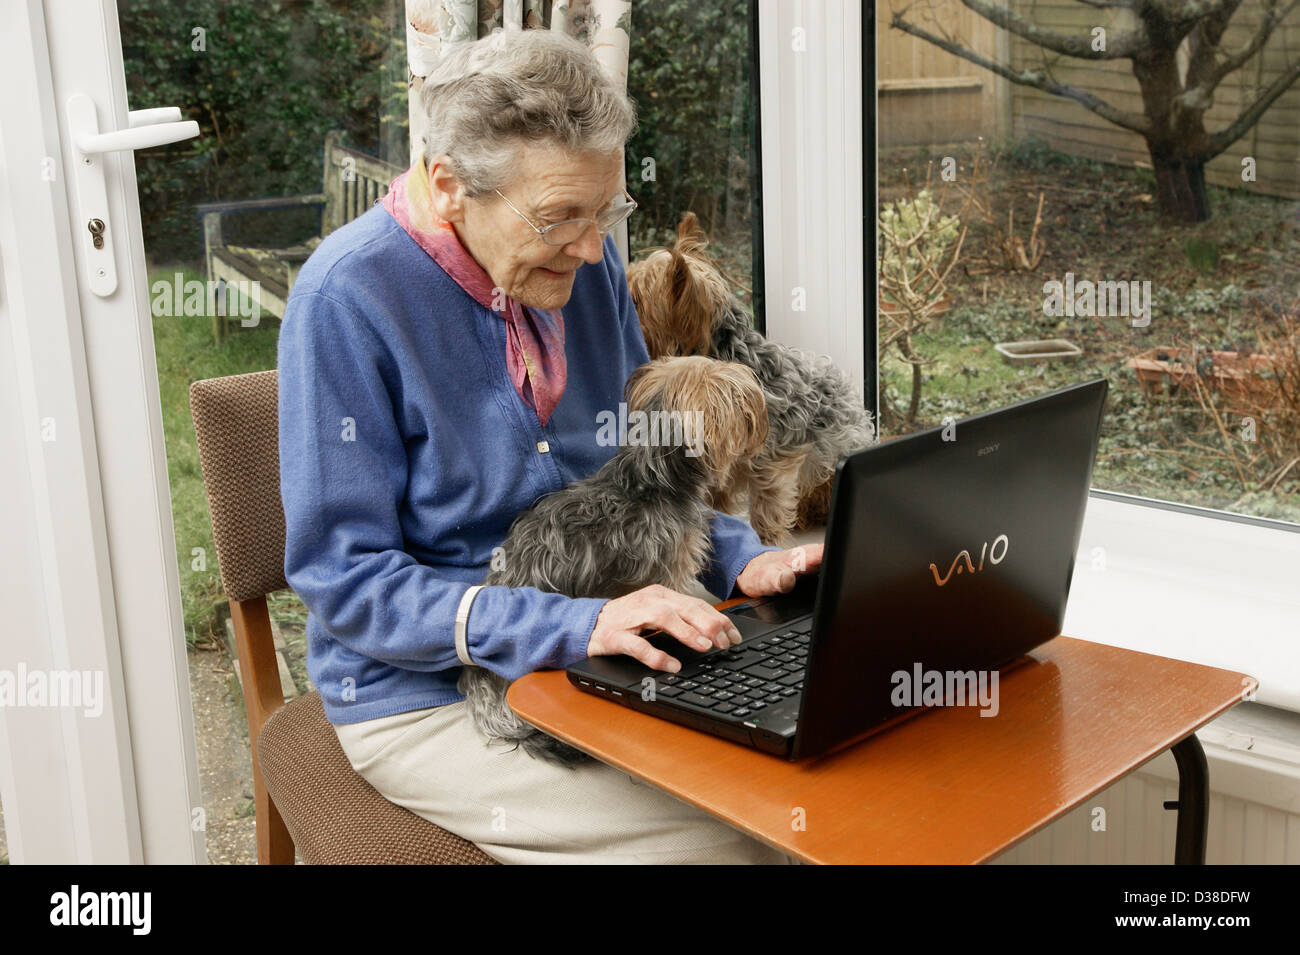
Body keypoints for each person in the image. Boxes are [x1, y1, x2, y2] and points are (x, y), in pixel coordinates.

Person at [277, 28, 820, 864]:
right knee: (738, 841)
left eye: (606, 211)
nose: (596, 249)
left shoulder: (581, 261)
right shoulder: (347, 301)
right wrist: (573, 623)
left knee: (818, 773)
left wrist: (743, 559)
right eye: (562, 216)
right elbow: (344, 581)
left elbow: (654, 459)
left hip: (614, 644)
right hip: (429, 695)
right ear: (452, 186)